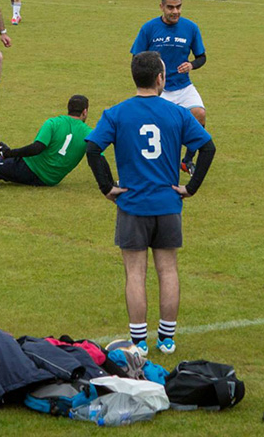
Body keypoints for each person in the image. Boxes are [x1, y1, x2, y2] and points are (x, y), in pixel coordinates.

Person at [86, 51, 215, 356]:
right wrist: (191, 188)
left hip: (132, 205)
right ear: (160, 78)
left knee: (135, 273)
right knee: (167, 269)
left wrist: (108, 187)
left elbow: (92, 149)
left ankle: (139, 341)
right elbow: (207, 147)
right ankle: (167, 339)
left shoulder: (116, 113)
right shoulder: (178, 113)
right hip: (168, 204)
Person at [131, 0, 207, 174]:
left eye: (179, 7)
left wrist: (191, 65)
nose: (175, 12)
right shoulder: (149, 28)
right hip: (157, 89)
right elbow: (136, 59)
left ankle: (187, 160)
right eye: (171, 7)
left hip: (183, 86)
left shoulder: (190, 28)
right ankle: (150, 164)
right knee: (158, 127)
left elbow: (201, 57)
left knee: (200, 114)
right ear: (161, 7)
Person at [0, 95, 92, 192]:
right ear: (85, 112)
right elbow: (97, 159)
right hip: (50, 180)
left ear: (68, 108)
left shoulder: (54, 123)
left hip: (29, 169)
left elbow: (37, 148)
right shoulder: (90, 133)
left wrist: (9, 153)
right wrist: (108, 183)